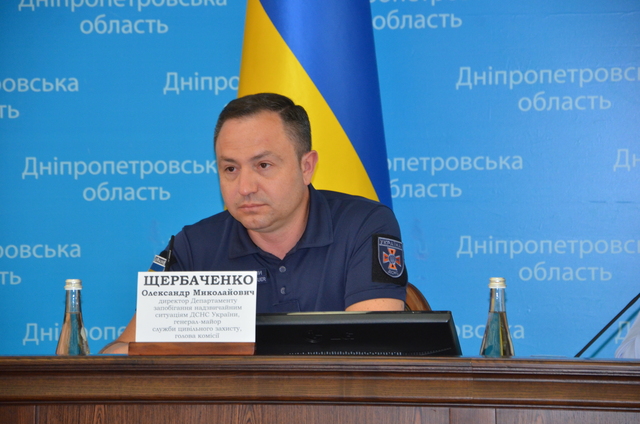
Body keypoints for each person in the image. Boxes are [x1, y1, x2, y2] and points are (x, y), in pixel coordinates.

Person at [101, 93, 407, 354]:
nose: (245, 187)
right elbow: (121, 354)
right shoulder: (194, 247)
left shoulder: (363, 225)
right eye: (230, 169)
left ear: (306, 167)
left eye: (263, 165)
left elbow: (372, 351)